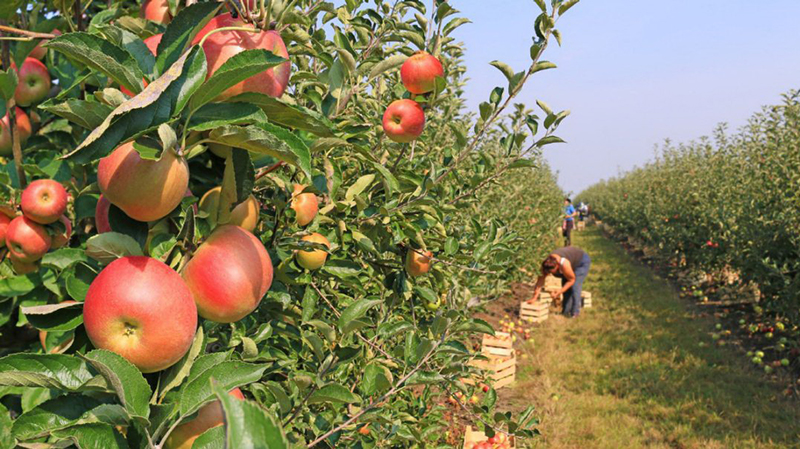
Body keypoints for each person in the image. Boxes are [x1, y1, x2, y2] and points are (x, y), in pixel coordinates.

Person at [530, 246, 591, 318]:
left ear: (557, 265)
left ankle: (575, 312)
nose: (550, 274)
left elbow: (571, 280)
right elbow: (540, 282)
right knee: (565, 286)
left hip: (581, 262)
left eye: (552, 272)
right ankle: (566, 311)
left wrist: (559, 291)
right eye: (548, 272)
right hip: (570, 262)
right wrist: (534, 297)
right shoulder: (546, 265)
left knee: (575, 286)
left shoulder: (564, 264)